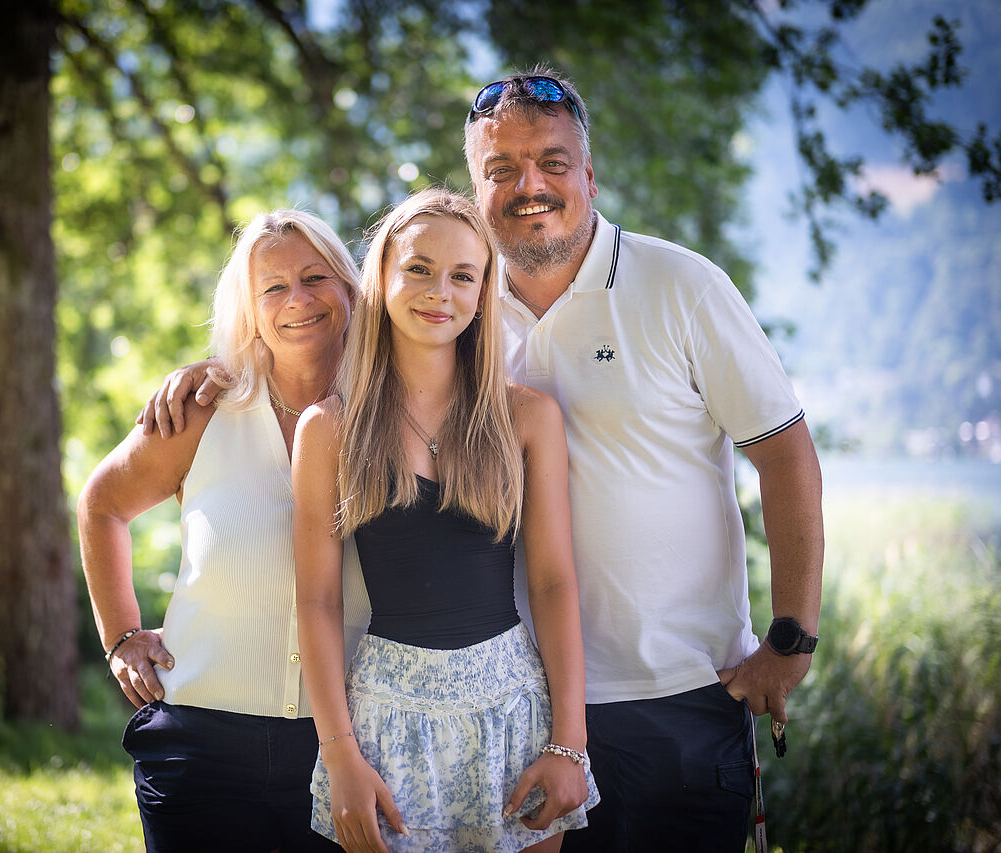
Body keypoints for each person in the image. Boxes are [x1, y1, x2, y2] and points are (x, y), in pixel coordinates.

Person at [140, 67, 825, 853]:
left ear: (590, 174)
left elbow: (787, 455)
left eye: (552, 162)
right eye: (502, 168)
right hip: (515, 706)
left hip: (676, 695)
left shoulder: (680, 287)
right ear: (476, 189)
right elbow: (321, 320)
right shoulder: (456, 302)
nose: (529, 184)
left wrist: (790, 642)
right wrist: (224, 367)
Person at [293, 188, 596, 853]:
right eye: (419, 269)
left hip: (512, 711)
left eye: (463, 275)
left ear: (484, 293)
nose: (440, 292)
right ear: (381, 277)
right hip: (384, 721)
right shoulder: (330, 429)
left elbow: (552, 582)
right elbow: (316, 600)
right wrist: (340, 754)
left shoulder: (527, 417)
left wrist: (568, 743)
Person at [78, 209, 370, 853]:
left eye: (315, 277)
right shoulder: (202, 410)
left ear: (350, 288)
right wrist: (122, 635)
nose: (297, 300)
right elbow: (102, 505)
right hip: (201, 748)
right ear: (250, 309)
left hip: (350, 747)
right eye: (273, 287)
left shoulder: (392, 417)